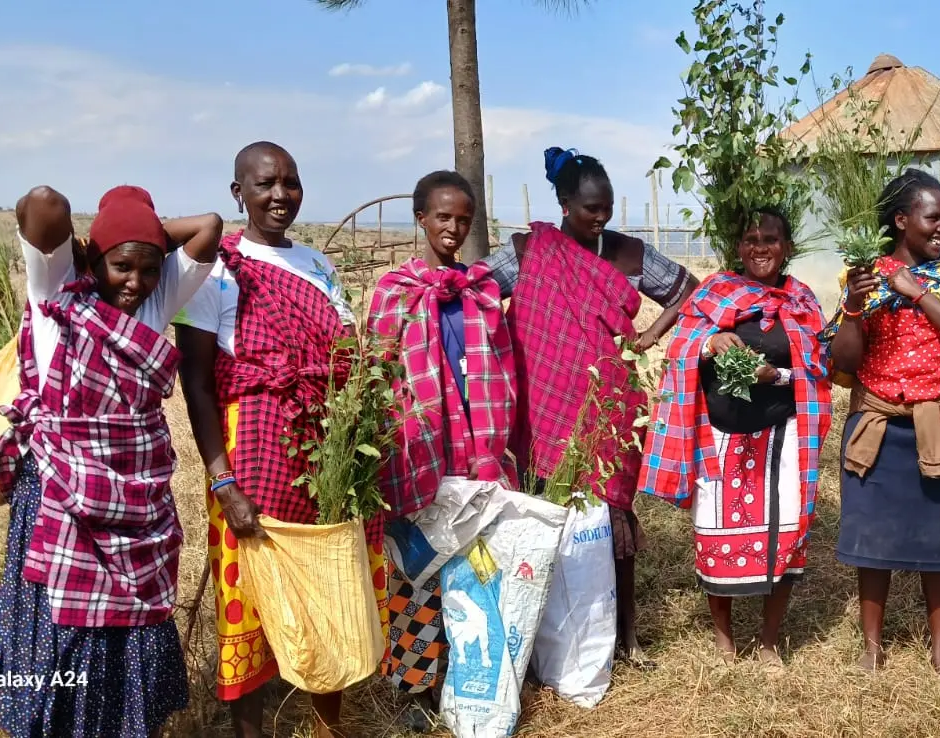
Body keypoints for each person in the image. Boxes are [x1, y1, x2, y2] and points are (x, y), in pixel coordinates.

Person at [0, 184, 221, 737]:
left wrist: (141, 240)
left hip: (135, 498)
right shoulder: (60, 294)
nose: (135, 282)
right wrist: (99, 244)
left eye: (148, 268)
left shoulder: (154, 300)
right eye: (121, 267)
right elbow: (44, 202)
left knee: (131, 617)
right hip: (62, 496)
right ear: (95, 259)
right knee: (63, 621)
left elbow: (211, 224)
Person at [174, 142, 377, 738]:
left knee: (329, 579)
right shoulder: (216, 270)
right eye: (265, 184)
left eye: (291, 182)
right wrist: (222, 480)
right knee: (252, 594)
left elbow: (346, 357)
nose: (281, 195)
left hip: (327, 448)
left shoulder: (319, 266)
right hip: (252, 447)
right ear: (238, 193)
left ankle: (326, 724)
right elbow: (197, 382)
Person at [484, 146, 697, 665]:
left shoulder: (628, 253)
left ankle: (627, 637)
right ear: (562, 203)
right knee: (544, 514)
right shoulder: (531, 250)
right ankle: (540, 638)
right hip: (544, 404)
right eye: (589, 209)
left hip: (611, 405)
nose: (600, 218)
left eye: (606, 208)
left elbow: (687, 290)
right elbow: (477, 290)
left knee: (613, 515)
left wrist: (647, 337)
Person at [825, 169, 940, 676]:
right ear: (902, 220)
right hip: (876, 423)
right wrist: (855, 307)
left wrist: (916, 292)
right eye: (933, 218)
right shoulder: (863, 275)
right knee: (873, 541)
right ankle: (872, 646)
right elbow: (843, 361)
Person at [638, 208, 831, 666]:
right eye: (750, 239)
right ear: (738, 246)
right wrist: (711, 344)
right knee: (713, 532)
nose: (759, 247)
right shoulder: (714, 293)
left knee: (785, 536)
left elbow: (818, 369)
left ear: (788, 247)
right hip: (719, 439)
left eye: (770, 239)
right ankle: (724, 640)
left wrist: (776, 374)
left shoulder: (802, 301)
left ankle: (767, 643)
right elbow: (679, 348)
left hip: (783, 437)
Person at [368, 170, 517, 725]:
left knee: (476, 565)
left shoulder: (480, 290)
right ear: (421, 219)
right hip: (418, 450)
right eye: (443, 217)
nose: (453, 229)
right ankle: (415, 687)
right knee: (416, 568)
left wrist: (496, 444)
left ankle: (469, 678)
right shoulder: (394, 291)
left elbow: (499, 372)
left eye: (463, 220)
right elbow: (378, 373)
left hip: (475, 450)